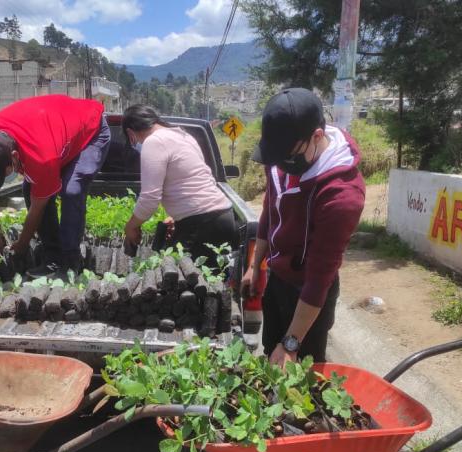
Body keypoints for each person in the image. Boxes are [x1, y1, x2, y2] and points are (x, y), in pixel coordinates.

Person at [240, 88, 365, 367]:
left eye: (288, 157)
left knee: (304, 371)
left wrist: (292, 343)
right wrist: (254, 263)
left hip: (310, 292)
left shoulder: (341, 197)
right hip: (278, 279)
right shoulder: (282, 157)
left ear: (317, 137)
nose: (282, 165)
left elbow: (320, 277)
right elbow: (270, 209)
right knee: (270, 352)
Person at [0, 95, 111, 276]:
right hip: (55, 132)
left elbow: (38, 208)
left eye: (4, 173)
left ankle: (70, 261)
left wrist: (22, 244)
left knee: (71, 190)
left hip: (90, 130)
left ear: (14, 156)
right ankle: (52, 256)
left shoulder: (41, 157)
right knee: (31, 188)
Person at [122, 104, 237, 263]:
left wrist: (131, 226)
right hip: (223, 216)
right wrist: (178, 216)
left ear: (130, 132)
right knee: (213, 282)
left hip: (202, 223)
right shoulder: (184, 136)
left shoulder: (154, 141)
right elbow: (195, 179)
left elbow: (149, 199)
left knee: (186, 282)